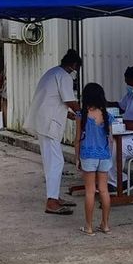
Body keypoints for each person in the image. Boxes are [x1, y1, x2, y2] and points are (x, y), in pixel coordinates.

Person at [23, 49, 82, 215]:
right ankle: (52, 201)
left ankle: (54, 196)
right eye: (76, 69)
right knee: (56, 162)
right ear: (74, 65)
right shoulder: (64, 76)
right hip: (49, 124)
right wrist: (83, 114)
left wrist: (70, 114)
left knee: (51, 162)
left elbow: (53, 100)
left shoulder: (52, 72)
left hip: (44, 121)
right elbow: (69, 100)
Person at [76, 83, 113, 235]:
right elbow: (110, 138)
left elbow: (77, 139)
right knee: (104, 190)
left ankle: (89, 226)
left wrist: (77, 157)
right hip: (104, 155)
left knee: (90, 191)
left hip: (88, 155)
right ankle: (105, 225)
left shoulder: (81, 115)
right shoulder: (107, 115)